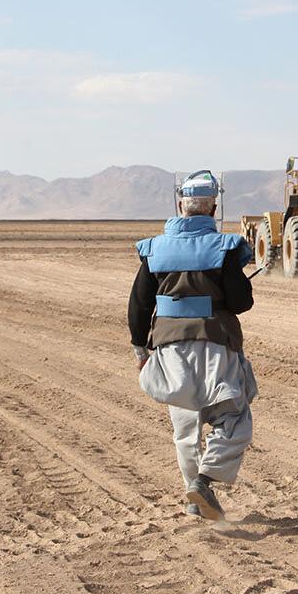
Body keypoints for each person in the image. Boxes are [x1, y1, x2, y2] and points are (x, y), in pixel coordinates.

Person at [128, 170, 256, 521]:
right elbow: (241, 302)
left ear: (180, 205)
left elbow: (139, 305)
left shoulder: (153, 249)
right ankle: (204, 480)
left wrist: (141, 351)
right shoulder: (224, 248)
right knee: (233, 419)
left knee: (185, 429)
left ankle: (194, 502)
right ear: (213, 207)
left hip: (169, 349)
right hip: (216, 344)